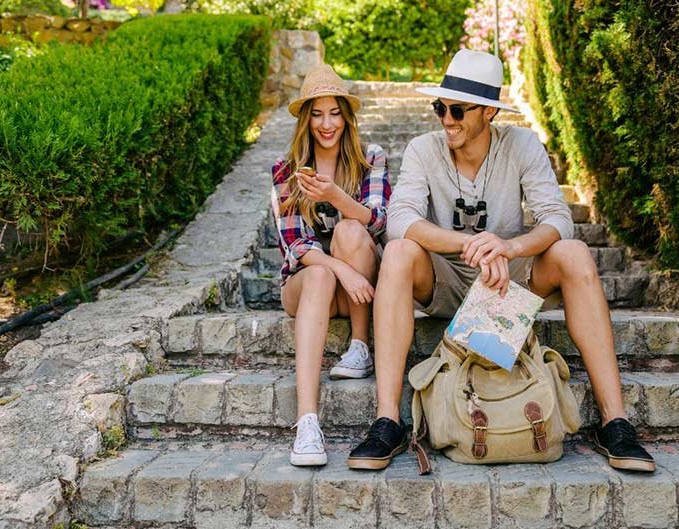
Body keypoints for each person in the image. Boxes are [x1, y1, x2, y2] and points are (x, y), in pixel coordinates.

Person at [347, 49, 655, 473]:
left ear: (489, 111)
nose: (446, 119)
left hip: (509, 278)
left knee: (575, 252)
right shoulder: (423, 149)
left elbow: (558, 218)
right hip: (445, 278)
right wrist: (466, 244)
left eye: (458, 110)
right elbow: (399, 219)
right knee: (399, 252)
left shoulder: (522, 145)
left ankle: (615, 422)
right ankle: (387, 421)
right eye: (440, 107)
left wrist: (509, 248)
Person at [271, 64, 390, 466]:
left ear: (346, 116)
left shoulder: (370, 158)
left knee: (352, 233)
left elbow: (379, 220)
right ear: (306, 118)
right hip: (310, 287)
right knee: (320, 271)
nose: (327, 124)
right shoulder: (286, 170)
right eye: (317, 113)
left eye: (335, 112)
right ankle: (307, 423)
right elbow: (294, 244)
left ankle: (360, 346)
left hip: (359, 290)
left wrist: (337, 196)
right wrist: (342, 270)